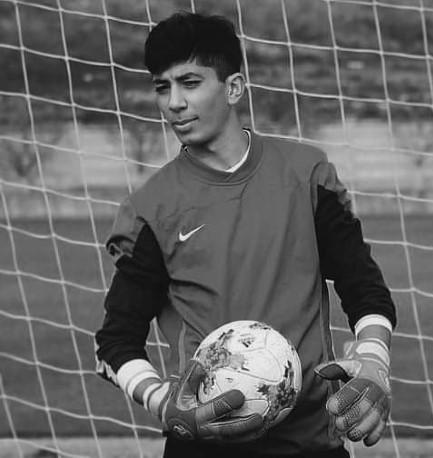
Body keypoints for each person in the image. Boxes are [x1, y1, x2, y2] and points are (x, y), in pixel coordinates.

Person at [94, 12, 396, 458]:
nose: (174, 102)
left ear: (233, 87)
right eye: (162, 87)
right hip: (202, 449)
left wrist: (373, 362)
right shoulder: (152, 208)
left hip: (311, 444)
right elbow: (115, 341)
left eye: (190, 82)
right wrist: (166, 406)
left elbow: (365, 290)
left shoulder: (306, 175)